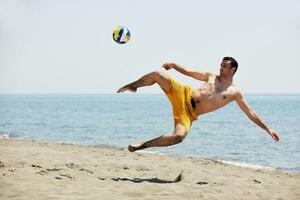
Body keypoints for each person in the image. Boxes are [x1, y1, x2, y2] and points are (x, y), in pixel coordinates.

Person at [117, 57, 280, 152]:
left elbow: (250, 112)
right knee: (157, 74)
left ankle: (142, 145)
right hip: (182, 94)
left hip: (188, 113)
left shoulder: (234, 92)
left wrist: (268, 129)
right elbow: (189, 72)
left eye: (224, 66)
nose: (220, 67)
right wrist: (174, 65)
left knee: (179, 137)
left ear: (233, 69)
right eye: (221, 64)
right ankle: (133, 86)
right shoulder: (211, 76)